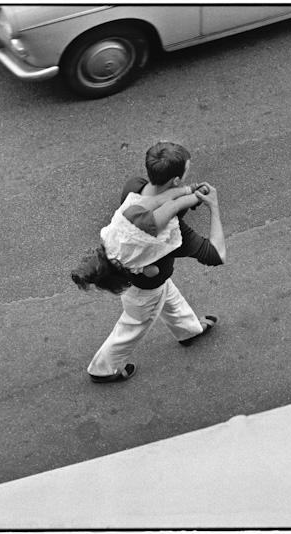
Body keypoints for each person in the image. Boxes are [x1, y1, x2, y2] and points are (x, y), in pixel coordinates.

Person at [71, 141, 226, 383]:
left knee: (170, 299)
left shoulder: (133, 188)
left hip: (135, 276)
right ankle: (102, 370)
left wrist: (188, 192)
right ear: (175, 180)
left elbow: (160, 202)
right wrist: (213, 206)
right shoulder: (174, 235)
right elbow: (216, 255)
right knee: (133, 325)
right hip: (145, 291)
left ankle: (189, 331)